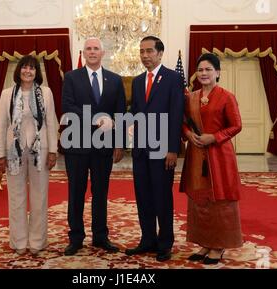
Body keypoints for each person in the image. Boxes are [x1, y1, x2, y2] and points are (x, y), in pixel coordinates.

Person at [61, 38, 127, 256]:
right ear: (83, 52)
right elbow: (68, 106)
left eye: (95, 48)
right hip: (76, 145)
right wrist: (95, 118)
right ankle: (76, 238)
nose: (92, 52)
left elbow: (120, 113)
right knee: (76, 193)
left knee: (101, 193)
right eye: (88, 49)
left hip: (104, 147)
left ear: (103, 52)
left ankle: (100, 236)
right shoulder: (71, 77)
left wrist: (119, 143)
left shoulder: (115, 80)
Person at [125, 36, 185, 262]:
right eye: (141, 51)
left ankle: (165, 242)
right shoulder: (138, 81)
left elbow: (176, 114)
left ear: (160, 53)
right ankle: (147, 239)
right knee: (143, 197)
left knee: (162, 197)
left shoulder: (173, 78)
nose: (145, 55)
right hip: (141, 150)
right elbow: (136, 112)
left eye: (149, 51)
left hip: (163, 151)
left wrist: (172, 149)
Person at [180, 53, 243, 265]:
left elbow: (236, 126)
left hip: (219, 157)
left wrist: (213, 137)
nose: (204, 73)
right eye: (200, 70)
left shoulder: (227, 96)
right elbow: (184, 123)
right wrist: (189, 135)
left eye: (208, 69)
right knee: (199, 199)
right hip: (196, 155)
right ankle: (204, 243)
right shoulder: (191, 97)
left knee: (219, 200)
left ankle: (219, 245)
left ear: (217, 72)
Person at [0, 55, 58, 256]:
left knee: (39, 198)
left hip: (41, 151)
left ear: (36, 72)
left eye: (32, 68)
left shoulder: (46, 93)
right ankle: (19, 241)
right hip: (14, 153)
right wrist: (0, 154)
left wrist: (53, 151)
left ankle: (37, 242)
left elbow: (51, 122)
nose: (28, 71)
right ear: (19, 71)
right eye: (24, 68)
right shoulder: (7, 94)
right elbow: (1, 125)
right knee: (17, 198)